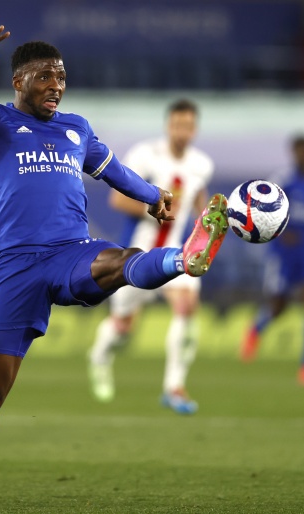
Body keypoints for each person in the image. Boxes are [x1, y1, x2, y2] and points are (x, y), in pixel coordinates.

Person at [0, 26, 229, 514]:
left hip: (71, 250)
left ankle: (184, 258)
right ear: (18, 81)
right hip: (15, 267)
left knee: (121, 261)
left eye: (62, 78)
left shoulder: (76, 129)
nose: (56, 86)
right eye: (45, 77)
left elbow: (113, 171)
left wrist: (153, 197)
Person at [88, 99, 213, 415]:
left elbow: (199, 203)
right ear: (168, 125)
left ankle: (174, 388)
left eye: (188, 125)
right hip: (138, 253)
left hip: (176, 253)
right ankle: (100, 357)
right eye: (177, 124)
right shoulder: (146, 156)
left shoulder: (201, 165)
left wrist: (210, 226)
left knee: (187, 307)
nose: (182, 131)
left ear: (195, 129)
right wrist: (155, 208)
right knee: (124, 327)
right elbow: (118, 200)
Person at [239, 134, 304, 386]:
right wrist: (281, 233)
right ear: (293, 153)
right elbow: (263, 213)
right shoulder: (282, 180)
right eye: (300, 151)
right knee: (279, 307)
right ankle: (255, 330)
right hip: (283, 253)